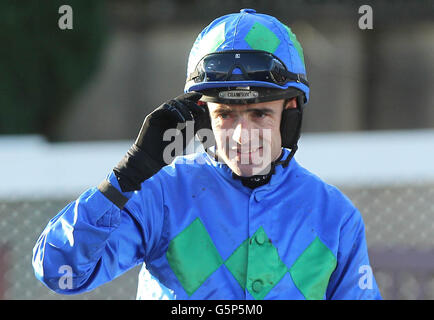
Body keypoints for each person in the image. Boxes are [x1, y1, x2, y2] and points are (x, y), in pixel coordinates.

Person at [32, 9, 382, 300]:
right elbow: (60, 273)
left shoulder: (335, 216)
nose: (242, 135)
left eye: (260, 113)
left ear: (290, 113)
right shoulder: (161, 194)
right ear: (202, 116)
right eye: (225, 114)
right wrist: (125, 177)